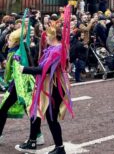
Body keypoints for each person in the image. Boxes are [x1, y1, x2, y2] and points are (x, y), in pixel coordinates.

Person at [16, 21, 73, 154]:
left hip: (54, 87)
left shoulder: (58, 50)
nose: (45, 37)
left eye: (47, 35)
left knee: (51, 118)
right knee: (36, 111)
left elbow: (44, 69)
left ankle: (60, 148)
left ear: (53, 36)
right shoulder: (52, 48)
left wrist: (24, 69)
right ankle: (33, 141)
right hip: (47, 86)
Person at [0, 28, 43, 146]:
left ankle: (34, 138)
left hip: (21, 84)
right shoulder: (22, 48)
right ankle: (37, 136)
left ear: (15, 41)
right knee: (30, 109)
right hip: (23, 83)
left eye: (9, 40)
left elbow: (14, 73)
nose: (7, 41)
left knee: (6, 108)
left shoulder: (15, 53)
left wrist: (20, 92)